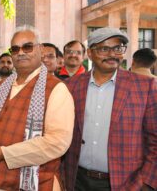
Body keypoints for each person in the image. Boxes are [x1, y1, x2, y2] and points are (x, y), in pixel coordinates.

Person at [0, 26, 75, 190]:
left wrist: (5, 153)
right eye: (15, 49)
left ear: (40, 50)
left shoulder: (56, 89)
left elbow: (57, 142)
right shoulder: (1, 85)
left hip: (35, 183)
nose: (20, 52)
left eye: (27, 47)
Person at [63, 27, 157, 191]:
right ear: (90, 54)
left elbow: (154, 140)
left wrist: (145, 183)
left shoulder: (145, 87)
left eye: (118, 48)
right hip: (76, 181)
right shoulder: (71, 86)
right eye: (105, 49)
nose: (113, 54)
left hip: (127, 183)